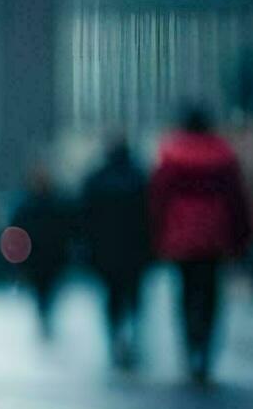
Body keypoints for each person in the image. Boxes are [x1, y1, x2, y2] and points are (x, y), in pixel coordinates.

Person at [148, 107, 253, 384]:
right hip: (214, 236)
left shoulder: (171, 155)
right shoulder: (223, 156)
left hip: (181, 237)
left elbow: (157, 200)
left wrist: (156, 236)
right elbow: (237, 200)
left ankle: (190, 344)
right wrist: (241, 237)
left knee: (185, 292)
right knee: (210, 293)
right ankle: (205, 346)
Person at [80, 140, 151, 368]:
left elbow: (85, 218)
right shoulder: (139, 178)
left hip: (106, 250)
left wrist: (87, 247)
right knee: (133, 294)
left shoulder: (96, 179)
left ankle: (115, 334)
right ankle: (132, 331)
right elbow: (150, 216)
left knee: (112, 295)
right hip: (135, 249)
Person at [11, 167, 72, 339]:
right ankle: (44, 316)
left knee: (46, 291)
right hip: (42, 257)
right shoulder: (42, 204)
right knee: (43, 291)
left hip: (47, 257)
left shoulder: (34, 205)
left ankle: (45, 316)